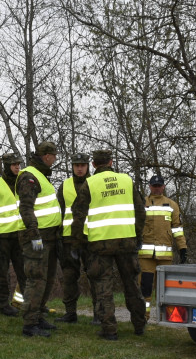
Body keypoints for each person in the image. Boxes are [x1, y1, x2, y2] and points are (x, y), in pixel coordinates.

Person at [70, 149, 147, 341]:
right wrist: (137, 236)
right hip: (126, 241)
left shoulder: (90, 183)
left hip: (100, 244)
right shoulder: (126, 180)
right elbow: (140, 211)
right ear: (111, 162)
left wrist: (77, 243)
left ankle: (109, 330)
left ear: (94, 165)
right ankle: (139, 325)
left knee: (103, 287)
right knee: (132, 284)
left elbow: (78, 215)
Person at [16, 141, 62, 337]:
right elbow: (26, 208)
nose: (55, 159)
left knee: (46, 279)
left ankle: (38, 315)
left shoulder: (41, 176)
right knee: (36, 280)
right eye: (54, 155)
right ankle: (29, 324)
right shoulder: (29, 176)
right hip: (37, 237)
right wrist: (34, 234)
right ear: (47, 156)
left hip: (49, 237)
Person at [0, 152, 28, 317]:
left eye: (18, 164)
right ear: (7, 166)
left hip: (20, 235)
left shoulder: (23, 183)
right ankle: (2, 303)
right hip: (1, 237)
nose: (17, 167)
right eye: (14, 164)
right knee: (2, 271)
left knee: (24, 271)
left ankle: (29, 303)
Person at [138, 174, 188, 315]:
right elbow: (135, 227)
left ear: (164, 186)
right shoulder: (142, 204)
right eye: (154, 186)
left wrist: (182, 248)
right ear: (150, 186)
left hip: (165, 257)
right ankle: (144, 316)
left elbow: (177, 228)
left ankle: (165, 316)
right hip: (146, 256)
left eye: (159, 186)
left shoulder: (172, 205)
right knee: (145, 287)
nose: (157, 189)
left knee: (164, 288)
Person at [56, 152, 96, 323]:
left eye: (83, 165)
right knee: (69, 276)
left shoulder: (95, 184)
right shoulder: (64, 186)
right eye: (76, 165)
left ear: (88, 166)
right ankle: (70, 312)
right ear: (72, 166)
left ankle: (99, 313)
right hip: (68, 238)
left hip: (90, 237)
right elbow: (58, 211)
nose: (79, 168)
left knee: (95, 275)